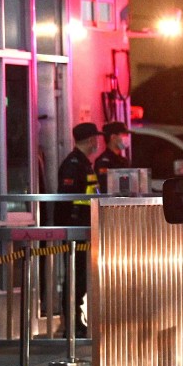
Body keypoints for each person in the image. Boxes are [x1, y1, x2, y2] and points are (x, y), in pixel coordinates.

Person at [55, 122, 101, 338]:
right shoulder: (73, 164)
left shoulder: (84, 163)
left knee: (81, 278)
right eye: (96, 138)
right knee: (75, 278)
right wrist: (66, 230)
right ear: (91, 140)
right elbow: (66, 201)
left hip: (84, 230)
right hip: (75, 232)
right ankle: (71, 324)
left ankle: (76, 323)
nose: (97, 142)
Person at [94, 121, 131, 193]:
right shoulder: (103, 162)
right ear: (113, 137)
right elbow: (105, 187)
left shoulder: (123, 160)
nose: (127, 138)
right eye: (124, 135)